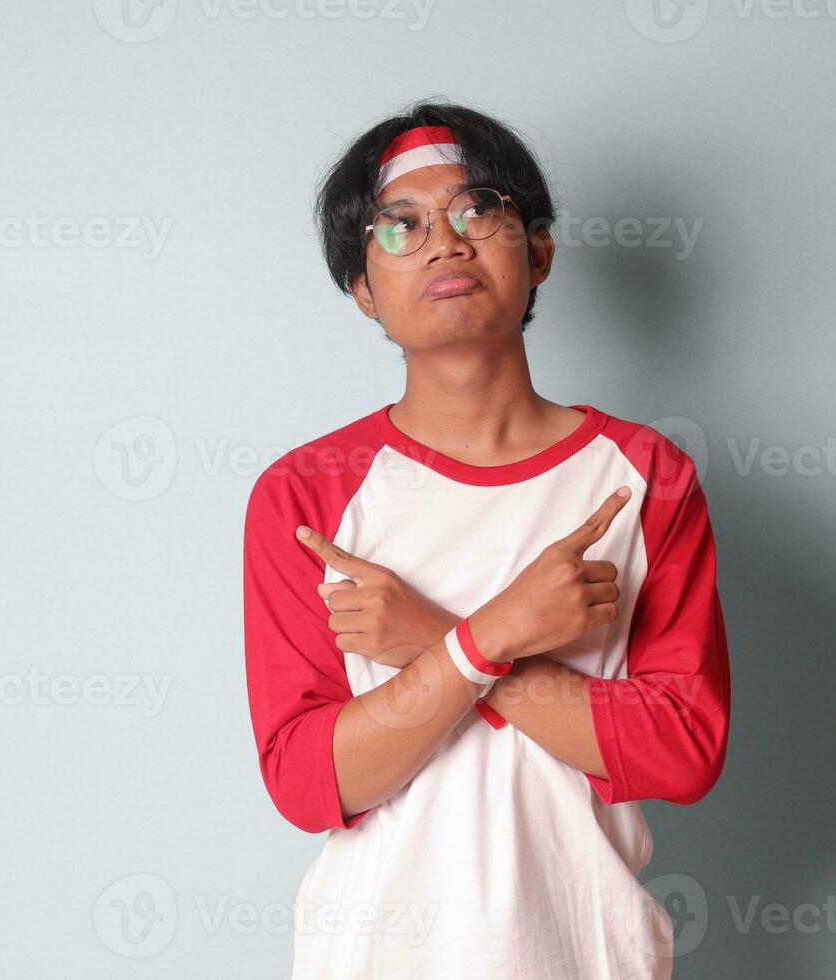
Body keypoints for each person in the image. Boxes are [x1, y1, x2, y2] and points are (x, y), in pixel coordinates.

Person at [241, 99, 731, 979]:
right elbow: (313, 780)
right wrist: (488, 637)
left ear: (538, 250)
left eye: (479, 209)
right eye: (402, 226)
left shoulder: (644, 476)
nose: (446, 242)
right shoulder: (306, 495)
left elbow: (684, 750)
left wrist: (433, 640)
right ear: (362, 289)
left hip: (589, 956)